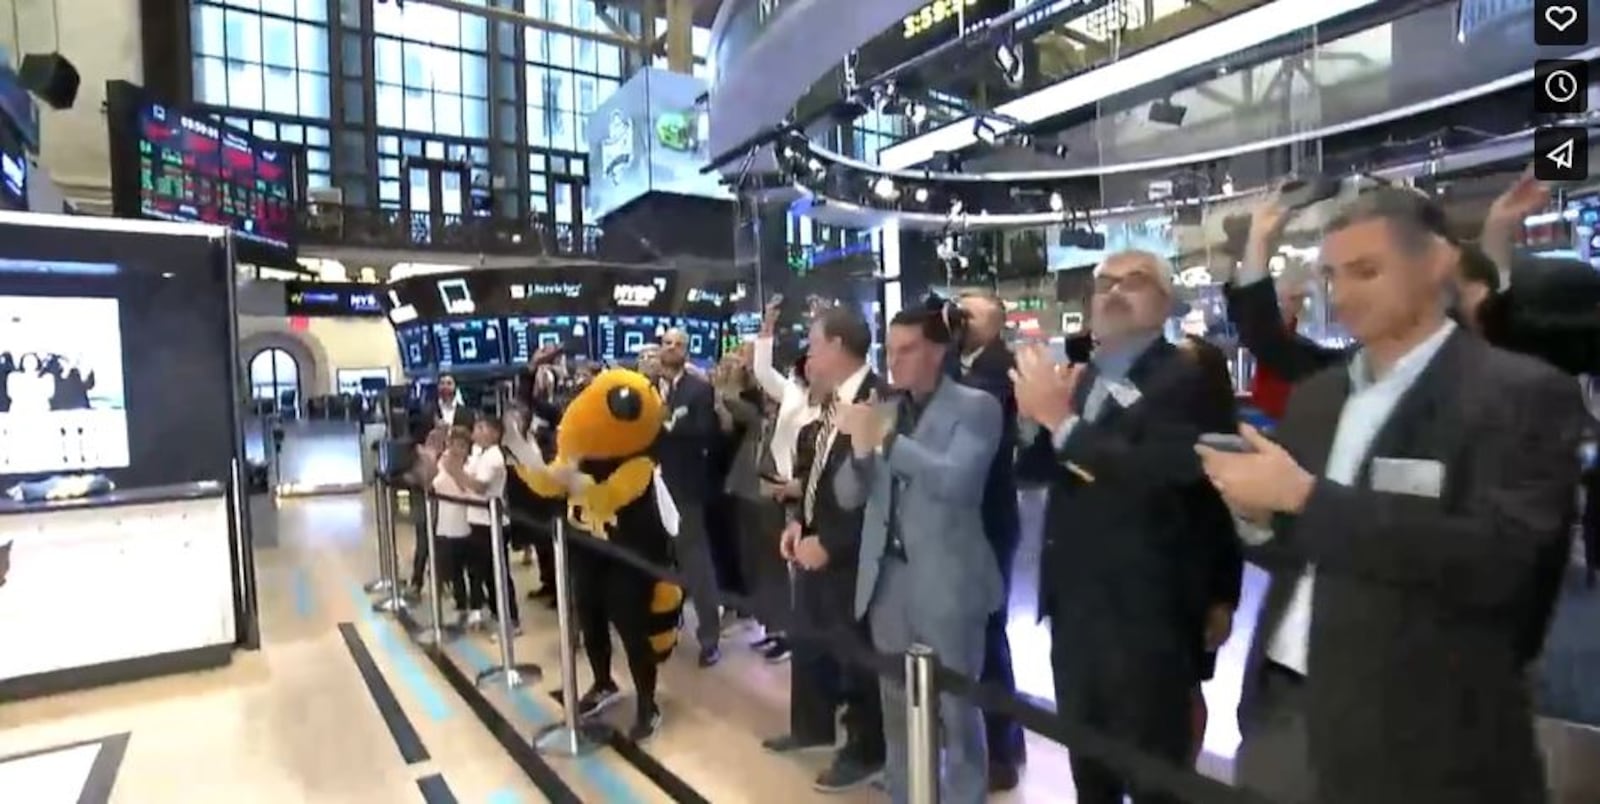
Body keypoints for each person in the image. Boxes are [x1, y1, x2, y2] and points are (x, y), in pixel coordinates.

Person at [1198, 188, 1583, 804]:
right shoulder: (1319, 396)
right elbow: (1302, 548)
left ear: (1436, 263)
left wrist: (1303, 499)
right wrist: (1260, 519)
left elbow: (1501, 565)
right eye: (1332, 275)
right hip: (1286, 711)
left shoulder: (1517, 394)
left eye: (1366, 271)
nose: (1342, 294)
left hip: (1424, 736)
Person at [1011, 250, 1236, 804]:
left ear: (1163, 302)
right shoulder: (1086, 378)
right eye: (1103, 283)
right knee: (1091, 772)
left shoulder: (1187, 378)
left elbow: (1172, 476)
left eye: (1132, 282)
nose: (1112, 292)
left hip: (1147, 612)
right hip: (1076, 609)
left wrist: (1059, 422)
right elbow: (1044, 470)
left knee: (1154, 774)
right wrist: (1031, 421)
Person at [833, 305, 1003, 804]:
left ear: (937, 351)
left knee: (958, 711)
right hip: (888, 583)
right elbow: (847, 495)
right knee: (897, 710)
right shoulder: (884, 408)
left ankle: (966, 797)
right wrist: (862, 451)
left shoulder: (976, 407)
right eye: (890, 350)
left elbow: (958, 481)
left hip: (948, 584)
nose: (894, 361)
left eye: (906, 350)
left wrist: (886, 442)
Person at [762, 305, 885, 793]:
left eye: (814, 343)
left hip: (850, 556)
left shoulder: (878, 400)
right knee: (810, 638)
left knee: (856, 656)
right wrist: (797, 523)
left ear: (836, 345)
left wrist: (830, 544)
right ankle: (810, 725)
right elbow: (813, 475)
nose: (809, 353)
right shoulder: (829, 404)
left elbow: (875, 494)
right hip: (811, 542)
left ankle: (865, 749)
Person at [951, 291, 1026, 790]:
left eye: (968, 313)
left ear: (995, 324)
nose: (957, 319)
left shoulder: (1000, 368)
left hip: (990, 521)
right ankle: (978, 741)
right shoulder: (960, 364)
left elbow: (973, 412)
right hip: (961, 519)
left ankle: (1003, 748)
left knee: (989, 635)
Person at [1174, 335, 1245, 761]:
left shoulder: (1223, 443)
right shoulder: (1150, 426)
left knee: (1185, 689)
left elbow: (1227, 529)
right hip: (1148, 581)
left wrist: (1223, 599)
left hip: (1194, 586)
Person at [654, 327, 724, 666]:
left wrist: (670, 424)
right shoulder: (646, 387)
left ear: (687, 350)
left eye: (678, 344)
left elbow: (705, 432)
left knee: (696, 563)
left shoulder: (698, 389)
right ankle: (664, 624)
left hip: (684, 487)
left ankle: (710, 636)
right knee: (658, 561)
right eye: (667, 343)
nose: (672, 348)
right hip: (649, 486)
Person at [440, 416, 517, 635]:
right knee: (482, 572)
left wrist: (456, 472)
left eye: (482, 427)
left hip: (491, 522)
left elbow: (480, 487)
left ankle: (511, 619)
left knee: (497, 573)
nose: (477, 430)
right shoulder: (479, 454)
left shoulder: (494, 457)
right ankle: (495, 613)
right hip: (477, 521)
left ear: (495, 433)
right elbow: (467, 482)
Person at [432, 427, 475, 619]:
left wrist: (455, 470)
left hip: (465, 522)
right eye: (453, 444)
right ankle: (460, 603)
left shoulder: (471, 466)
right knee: (452, 567)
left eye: (462, 446)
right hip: (444, 520)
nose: (457, 449)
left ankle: (475, 605)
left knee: (470, 568)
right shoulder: (441, 461)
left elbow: (469, 490)